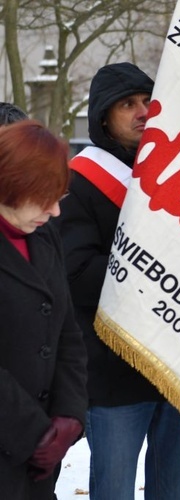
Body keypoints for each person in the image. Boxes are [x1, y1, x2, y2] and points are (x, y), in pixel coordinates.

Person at [55, 62, 180, 500]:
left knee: (175, 490)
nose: (142, 111)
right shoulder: (80, 181)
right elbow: (76, 275)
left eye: (148, 101)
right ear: (103, 117)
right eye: (128, 104)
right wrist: (153, 267)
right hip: (114, 372)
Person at [0, 120, 88, 499]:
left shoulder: (43, 233)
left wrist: (69, 415)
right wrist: (34, 433)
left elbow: (66, 328)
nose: (54, 211)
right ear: (11, 185)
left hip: (38, 467)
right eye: (44, 197)